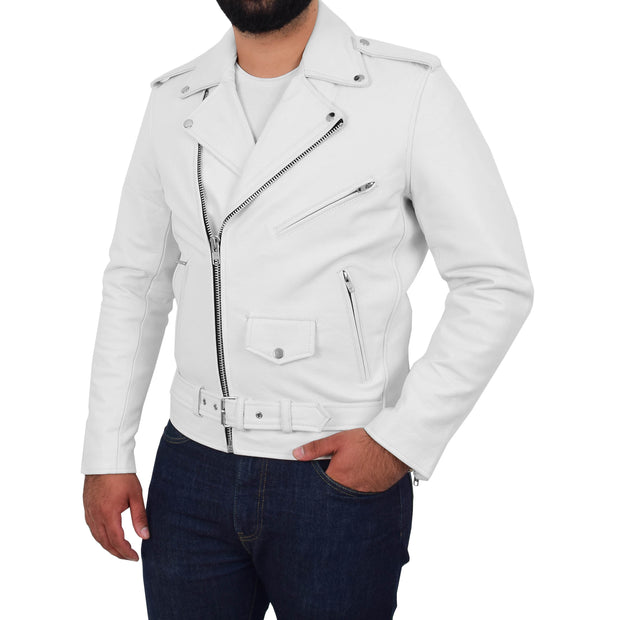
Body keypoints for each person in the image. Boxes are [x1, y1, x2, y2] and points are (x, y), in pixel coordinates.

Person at [81, 0, 534, 617]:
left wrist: (400, 441)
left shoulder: (408, 91)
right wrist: (107, 453)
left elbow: (494, 281)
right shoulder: (175, 98)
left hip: (336, 469)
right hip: (190, 469)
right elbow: (137, 281)